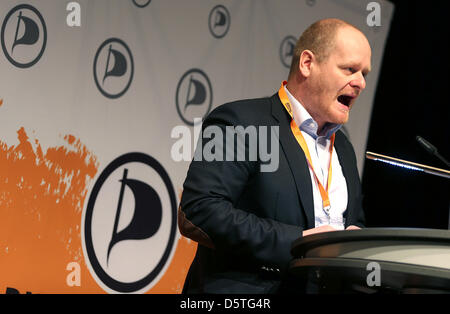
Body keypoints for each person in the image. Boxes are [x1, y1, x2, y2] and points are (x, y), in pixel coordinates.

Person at [178, 18, 371, 293]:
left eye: (365, 73)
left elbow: (354, 221)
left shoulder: (344, 149)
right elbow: (199, 211)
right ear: (307, 63)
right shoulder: (242, 122)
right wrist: (298, 243)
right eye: (350, 69)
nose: (361, 82)